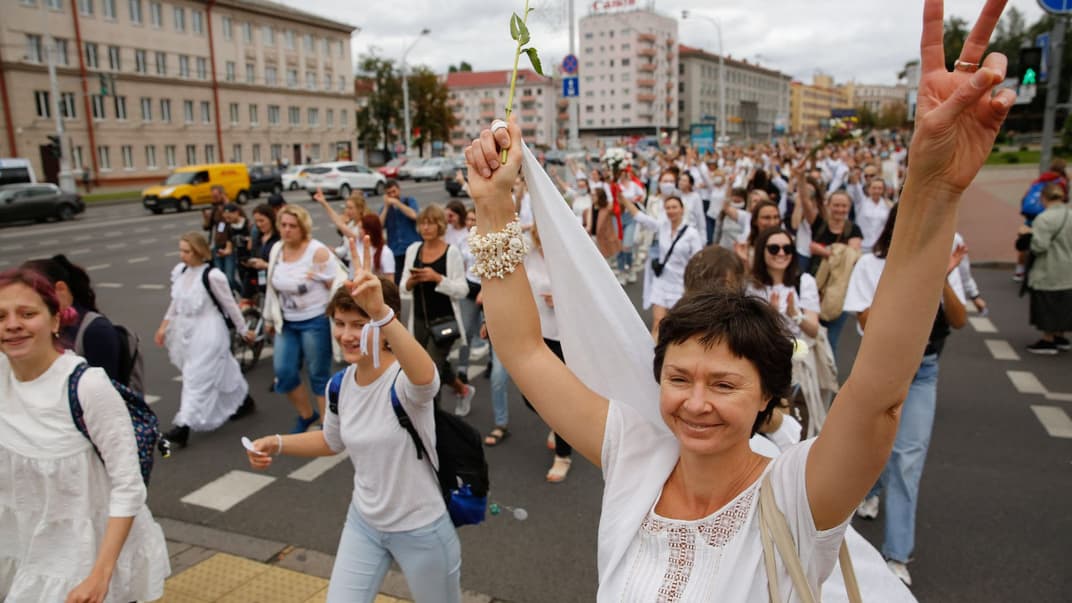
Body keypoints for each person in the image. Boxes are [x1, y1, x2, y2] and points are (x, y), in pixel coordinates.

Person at [462, 1, 1013, 595]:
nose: (695, 403)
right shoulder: (634, 455)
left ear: (767, 398)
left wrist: (930, 186)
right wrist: (494, 207)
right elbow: (525, 350)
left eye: (724, 384)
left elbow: (879, 396)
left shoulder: (798, 496)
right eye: (679, 378)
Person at [245, 243, 461, 603]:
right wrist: (276, 442)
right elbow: (332, 441)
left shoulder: (404, 382)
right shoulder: (339, 385)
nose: (346, 334)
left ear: (381, 324)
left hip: (421, 529)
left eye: (360, 325)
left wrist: (382, 313)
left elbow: (427, 378)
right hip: (364, 524)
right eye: (340, 323)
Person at [0, 268, 170, 601]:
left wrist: (100, 575)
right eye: (0, 316)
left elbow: (128, 485)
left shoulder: (86, 386)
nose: (12, 324)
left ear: (54, 321)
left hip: (82, 557)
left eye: (27, 313)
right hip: (19, 545)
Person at [844, 204, 968, 586]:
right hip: (881, 368)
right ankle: (871, 489)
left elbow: (960, 320)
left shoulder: (944, 259)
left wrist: (942, 276)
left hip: (924, 370)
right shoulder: (870, 265)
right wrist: (904, 276)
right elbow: (865, 319)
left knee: (907, 460)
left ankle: (897, 555)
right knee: (873, 446)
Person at [154, 233, 255, 447]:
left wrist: (243, 330)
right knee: (225, 367)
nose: (182, 255)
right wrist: (164, 327)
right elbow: (175, 302)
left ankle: (184, 425)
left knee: (195, 377)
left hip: (210, 332)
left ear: (199, 251)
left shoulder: (212, 275)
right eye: (180, 250)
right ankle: (245, 401)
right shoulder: (180, 272)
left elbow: (230, 305)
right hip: (187, 331)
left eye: (187, 251)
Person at [263, 205, 341, 433]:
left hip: (314, 320)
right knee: (284, 372)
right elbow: (271, 287)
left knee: (318, 374)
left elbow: (337, 284)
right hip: (286, 322)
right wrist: (269, 318)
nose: (287, 230)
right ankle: (307, 415)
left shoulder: (317, 251)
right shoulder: (277, 249)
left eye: (292, 226)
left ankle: (328, 426)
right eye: (283, 225)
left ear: (303, 227)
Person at [400, 205, 475, 416]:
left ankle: (433, 422)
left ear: (440, 225)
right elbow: (402, 287)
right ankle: (463, 389)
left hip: (444, 321)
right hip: (419, 320)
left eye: (431, 222)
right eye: (422, 223)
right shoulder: (413, 250)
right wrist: (411, 282)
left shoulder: (451, 253)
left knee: (429, 374)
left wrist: (437, 279)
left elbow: (462, 289)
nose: (426, 227)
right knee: (435, 366)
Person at [22, 254, 123, 384]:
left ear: (61, 289)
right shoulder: (39, 326)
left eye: (33, 294)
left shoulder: (95, 330)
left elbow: (105, 388)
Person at [619, 193, 704, 339]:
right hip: (662, 281)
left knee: (676, 326)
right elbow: (640, 216)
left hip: (681, 285)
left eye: (674, 207)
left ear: (682, 209)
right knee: (658, 322)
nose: (671, 210)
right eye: (668, 208)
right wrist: (621, 197)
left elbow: (698, 261)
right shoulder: (662, 227)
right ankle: (654, 357)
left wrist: (693, 287)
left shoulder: (692, 234)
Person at [1023, 183, 1072, 354]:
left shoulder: (1043, 218)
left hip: (1049, 268)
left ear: (1044, 198)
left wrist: (1027, 234)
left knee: (1048, 304)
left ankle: (1048, 339)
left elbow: (1039, 246)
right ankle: (1061, 337)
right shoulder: (1070, 214)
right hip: (1068, 269)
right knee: (1064, 305)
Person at [748, 228, 821, 339]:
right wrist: (771, 316)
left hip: (796, 351)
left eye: (787, 249)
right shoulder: (750, 286)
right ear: (762, 251)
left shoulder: (805, 281)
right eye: (774, 249)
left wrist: (794, 314)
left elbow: (813, 331)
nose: (781, 253)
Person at [380, 180, 421, 285]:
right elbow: (379, 225)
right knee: (397, 281)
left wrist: (397, 203)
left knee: (416, 279)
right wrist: (386, 207)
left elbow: (414, 215)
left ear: (399, 190)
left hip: (412, 247)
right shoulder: (385, 208)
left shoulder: (409, 201)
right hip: (395, 250)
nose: (392, 195)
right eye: (389, 193)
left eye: (394, 191)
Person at [312, 188, 367, 267]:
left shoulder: (363, 225)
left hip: (359, 265)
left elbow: (340, 224)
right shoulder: (351, 224)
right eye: (346, 207)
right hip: (349, 263)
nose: (347, 211)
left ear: (360, 209)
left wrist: (324, 203)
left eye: (350, 208)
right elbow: (345, 249)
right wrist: (333, 250)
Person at [243, 204, 280, 300]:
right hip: (262, 283)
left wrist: (266, 265)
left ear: (271, 219)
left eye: (262, 221)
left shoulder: (279, 238)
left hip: (277, 284)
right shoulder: (258, 238)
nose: (259, 224)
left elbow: (286, 266)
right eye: (256, 222)